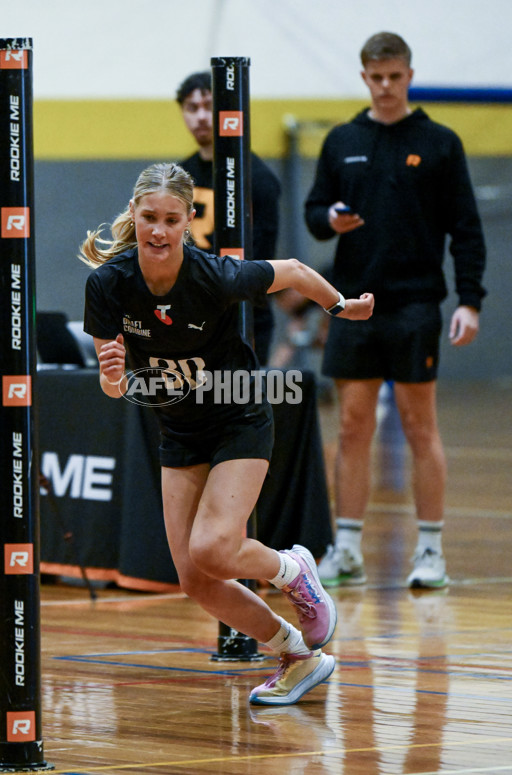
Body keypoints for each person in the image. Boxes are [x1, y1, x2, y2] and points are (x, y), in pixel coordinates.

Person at [80, 162, 374, 704]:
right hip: (180, 430)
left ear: (189, 220)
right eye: (149, 218)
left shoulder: (214, 275)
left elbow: (292, 271)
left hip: (238, 415)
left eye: (172, 219)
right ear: (133, 215)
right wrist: (110, 377)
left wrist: (339, 306)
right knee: (194, 578)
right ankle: (296, 657)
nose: (159, 231)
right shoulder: (108, 285)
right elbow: (115, 388)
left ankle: (293, 570)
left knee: (216, 547)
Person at [304, 32, 487, 589]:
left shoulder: (439, 142)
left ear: (409, 75)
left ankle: (430, 551)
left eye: (395, 77)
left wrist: (471, 301)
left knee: (418, 425)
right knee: (353, 426)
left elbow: (466, 230)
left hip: (415, 307)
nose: (385, 86)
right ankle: (349, 548)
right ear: (364, 77)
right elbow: (314, 211)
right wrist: (329, 219)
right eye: (376, 77)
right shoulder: (341, 140)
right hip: (352, 305)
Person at [175, 71, 281, 365]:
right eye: (192, 108)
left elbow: (263, 257)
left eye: (209, 106)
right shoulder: (178, 177)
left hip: (244, 316)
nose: (201, 117)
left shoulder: (257, 178)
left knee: (239, 404)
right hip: (190, 316)